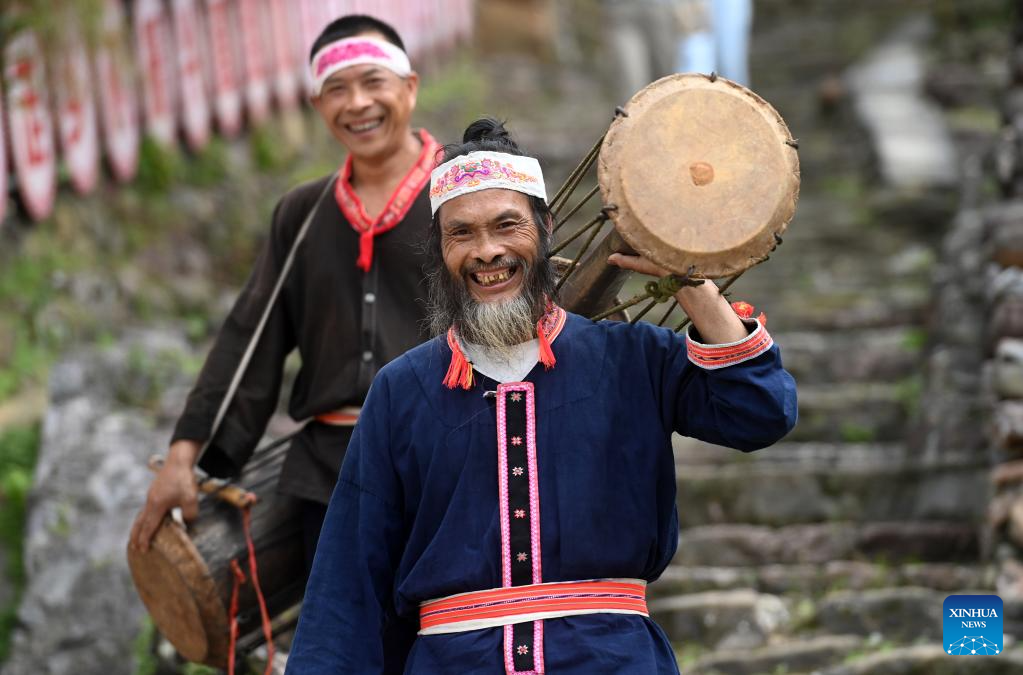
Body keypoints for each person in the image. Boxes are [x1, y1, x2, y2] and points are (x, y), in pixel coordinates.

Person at [285, 118, 798, 673]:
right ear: (438, 249)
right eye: (462, 233)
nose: (487, 251)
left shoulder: (634, 359)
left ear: (544, 226)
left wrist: (690, 283)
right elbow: (348, 582)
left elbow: (761, 411)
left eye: (508, 225)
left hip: (612, 659)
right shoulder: (401, 390)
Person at [128, 14, 441, 571]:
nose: (358, 103)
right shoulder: (302, 213)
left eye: (374, 82)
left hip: (452, 462)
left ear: (409, 88)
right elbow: (251, 338)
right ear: (317, 105)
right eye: (336, 89)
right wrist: (183, 456)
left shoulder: (464, 191)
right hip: (332, 479)